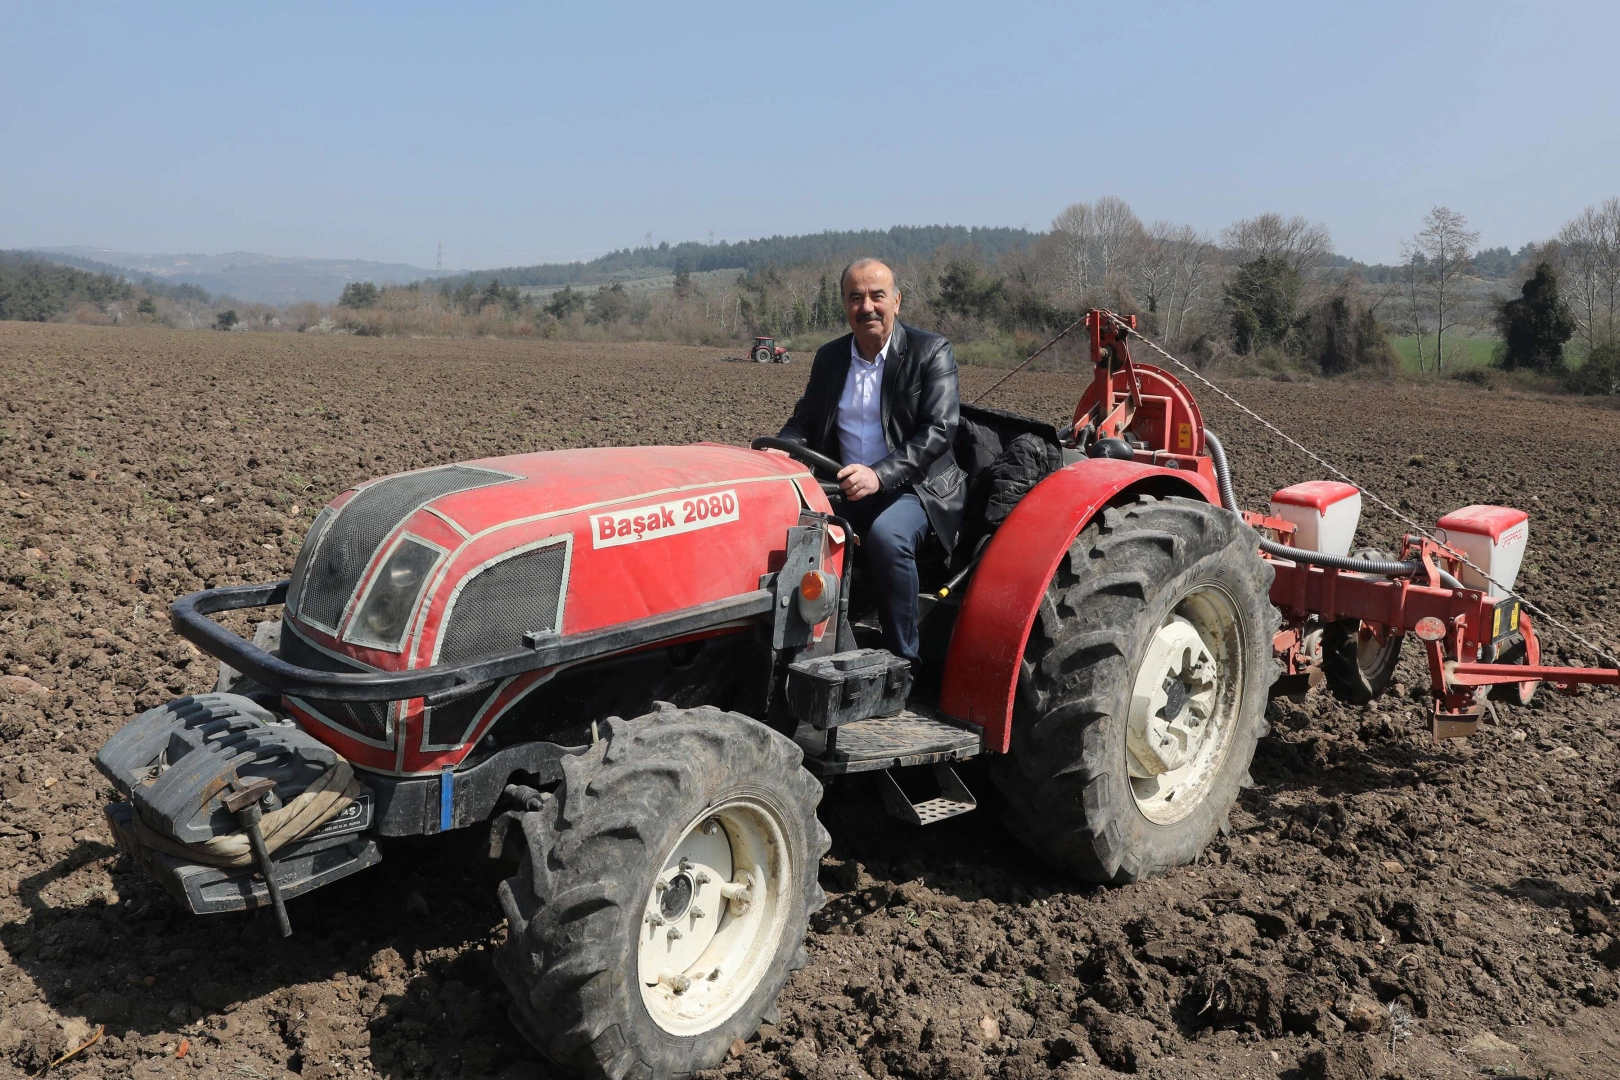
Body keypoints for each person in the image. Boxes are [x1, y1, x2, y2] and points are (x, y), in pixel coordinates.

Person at [777, 258, 964, 667]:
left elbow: (938, 430)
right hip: (847, 484)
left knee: (886, 538)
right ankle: (802, 651)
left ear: (896, 301)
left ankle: (903, 662)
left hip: (918, 487)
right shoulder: (830, 359)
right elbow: (806, 418)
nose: (867, 307)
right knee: (786, 526)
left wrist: (879, 475)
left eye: (877, 296)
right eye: (856, 297)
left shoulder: (930, 352)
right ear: (845, 306)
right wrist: (780, 450)